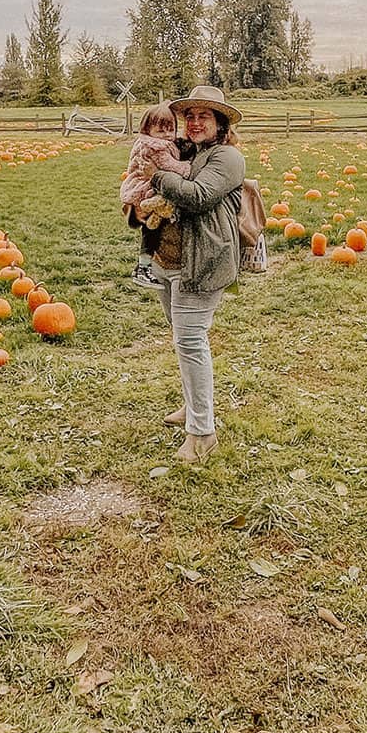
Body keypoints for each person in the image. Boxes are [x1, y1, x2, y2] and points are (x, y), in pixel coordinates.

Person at [137, 85, 245, 463]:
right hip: (168, 259)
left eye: (205, 116)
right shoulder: (186, 151)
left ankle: (202, 434)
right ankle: (193, 405)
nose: (196, 122)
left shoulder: (228, 158)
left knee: (191, 341)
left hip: (203, 262)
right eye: (191, 116)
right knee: (182, 339)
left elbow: (198, 196)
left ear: (220, 123)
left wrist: (156, 177)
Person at [119, 103, 193, 287]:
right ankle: (143, 266)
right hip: (145, 188)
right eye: (161, 130)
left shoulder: (149, 142)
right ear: (147, 129)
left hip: (143, 185)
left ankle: (143, 265)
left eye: (172, 129)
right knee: (152, 226)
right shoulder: (156, 147)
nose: (168, 135)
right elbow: (171, 167)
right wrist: (188, 168)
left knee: (153, 225)